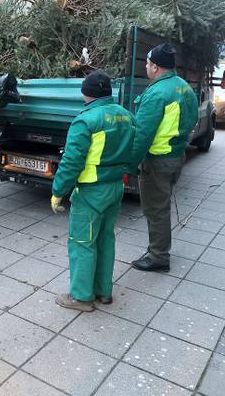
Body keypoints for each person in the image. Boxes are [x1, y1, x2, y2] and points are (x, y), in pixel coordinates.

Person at [50, 71, 135, 311]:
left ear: (85, 93)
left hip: (91, 192)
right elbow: (135, 147)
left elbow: (72, 162)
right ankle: (103, 292)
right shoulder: (127, 116)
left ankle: (81, 297)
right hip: (116, 187)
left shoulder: (86, 120)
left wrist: (58, 191)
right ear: (108, 92)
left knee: (82, 242)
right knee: (105, 239)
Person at [127, 44, 199, 272]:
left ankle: (158, 257)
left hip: (157, 161)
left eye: (148, 64)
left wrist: (127, 166)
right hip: (176, 156)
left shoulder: (157, 93)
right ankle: (159, 250)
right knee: (162, 206)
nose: (146, 68)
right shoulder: (184, 88)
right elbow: (192, 121)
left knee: (155, 209)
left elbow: (142, 135)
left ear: (156, 67)